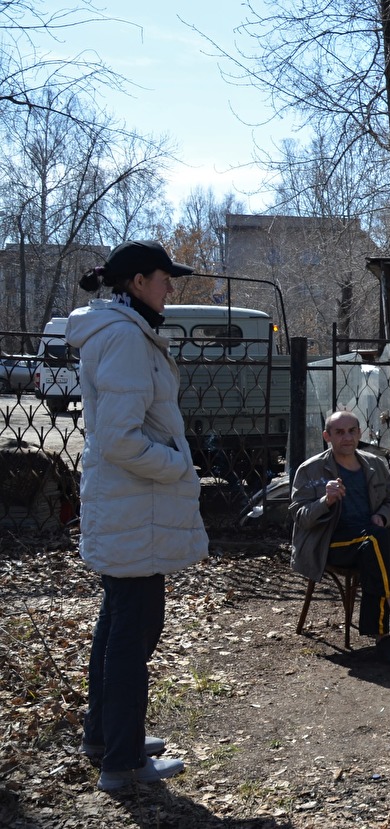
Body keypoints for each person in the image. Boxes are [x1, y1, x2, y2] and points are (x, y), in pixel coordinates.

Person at [67, 240, 209, 791]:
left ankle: (105, 735)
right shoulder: (126, 339)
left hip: (129, 508)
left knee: (119, 624)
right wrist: (176, 465)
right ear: (135, 282)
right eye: (163, 277)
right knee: (133, 632)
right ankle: (122, 761)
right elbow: (120, 440)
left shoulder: (123, 332)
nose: (170, 286)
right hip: (135, 508)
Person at [290, 411, 390, 665]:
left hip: (368, 541)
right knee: (379, 543)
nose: (347, 437)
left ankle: (383, 638)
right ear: (327, 436)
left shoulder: (374, 464)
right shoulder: (311, 469)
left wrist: (382, 515)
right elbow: (300, 517)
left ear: (359, 433)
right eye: (339, 432)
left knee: (374, 550)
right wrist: (326, 500)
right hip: (331, 543)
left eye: (352, 431)